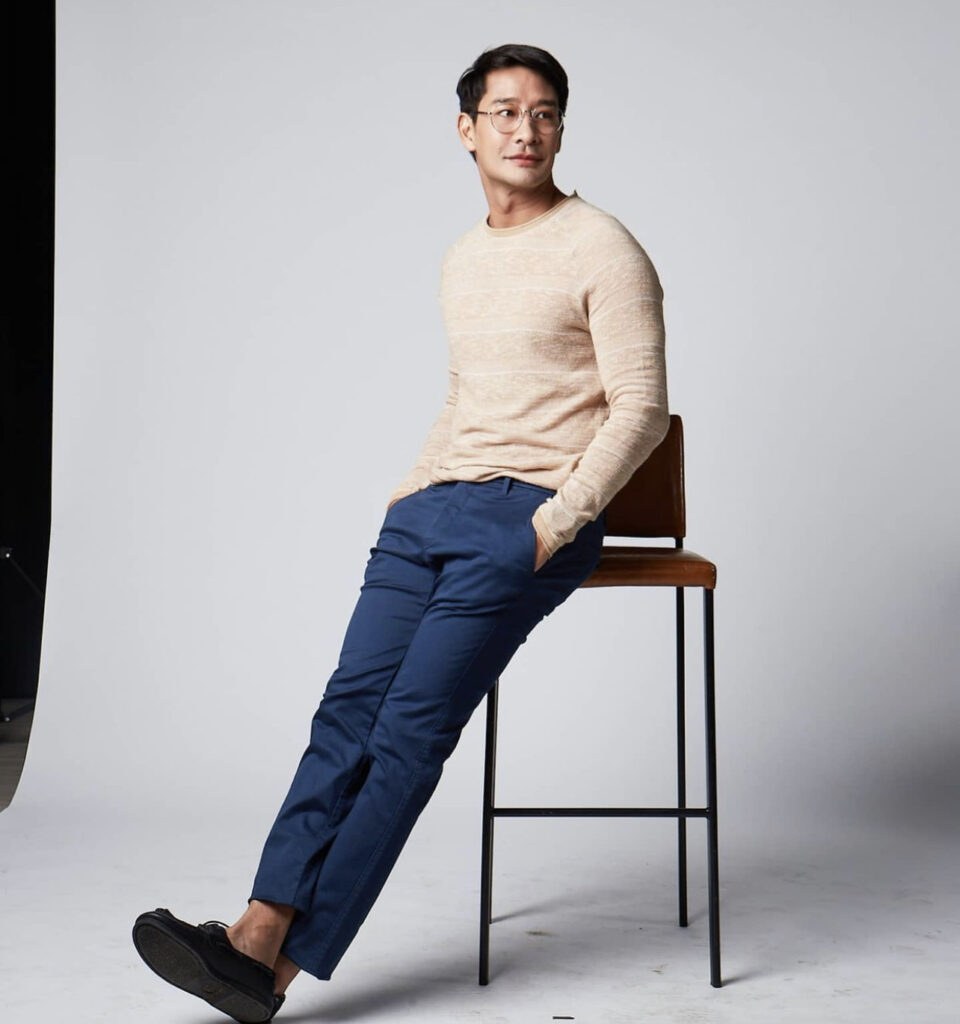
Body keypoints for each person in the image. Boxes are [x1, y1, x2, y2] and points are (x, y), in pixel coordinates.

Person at [132, 42, 670, 1024]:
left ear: (560, 129)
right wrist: (409, 491)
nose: (525, 129)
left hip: (527, 515)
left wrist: (553, 526)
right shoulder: (463, 258)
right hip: (431, 511)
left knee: (409, 732)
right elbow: (467, 395)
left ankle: (276, 967)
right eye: (504, 111)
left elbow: (639, 410)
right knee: (346, 713)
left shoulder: (603, 246)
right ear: (466, 129)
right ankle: (256, 927)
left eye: (544, 112)